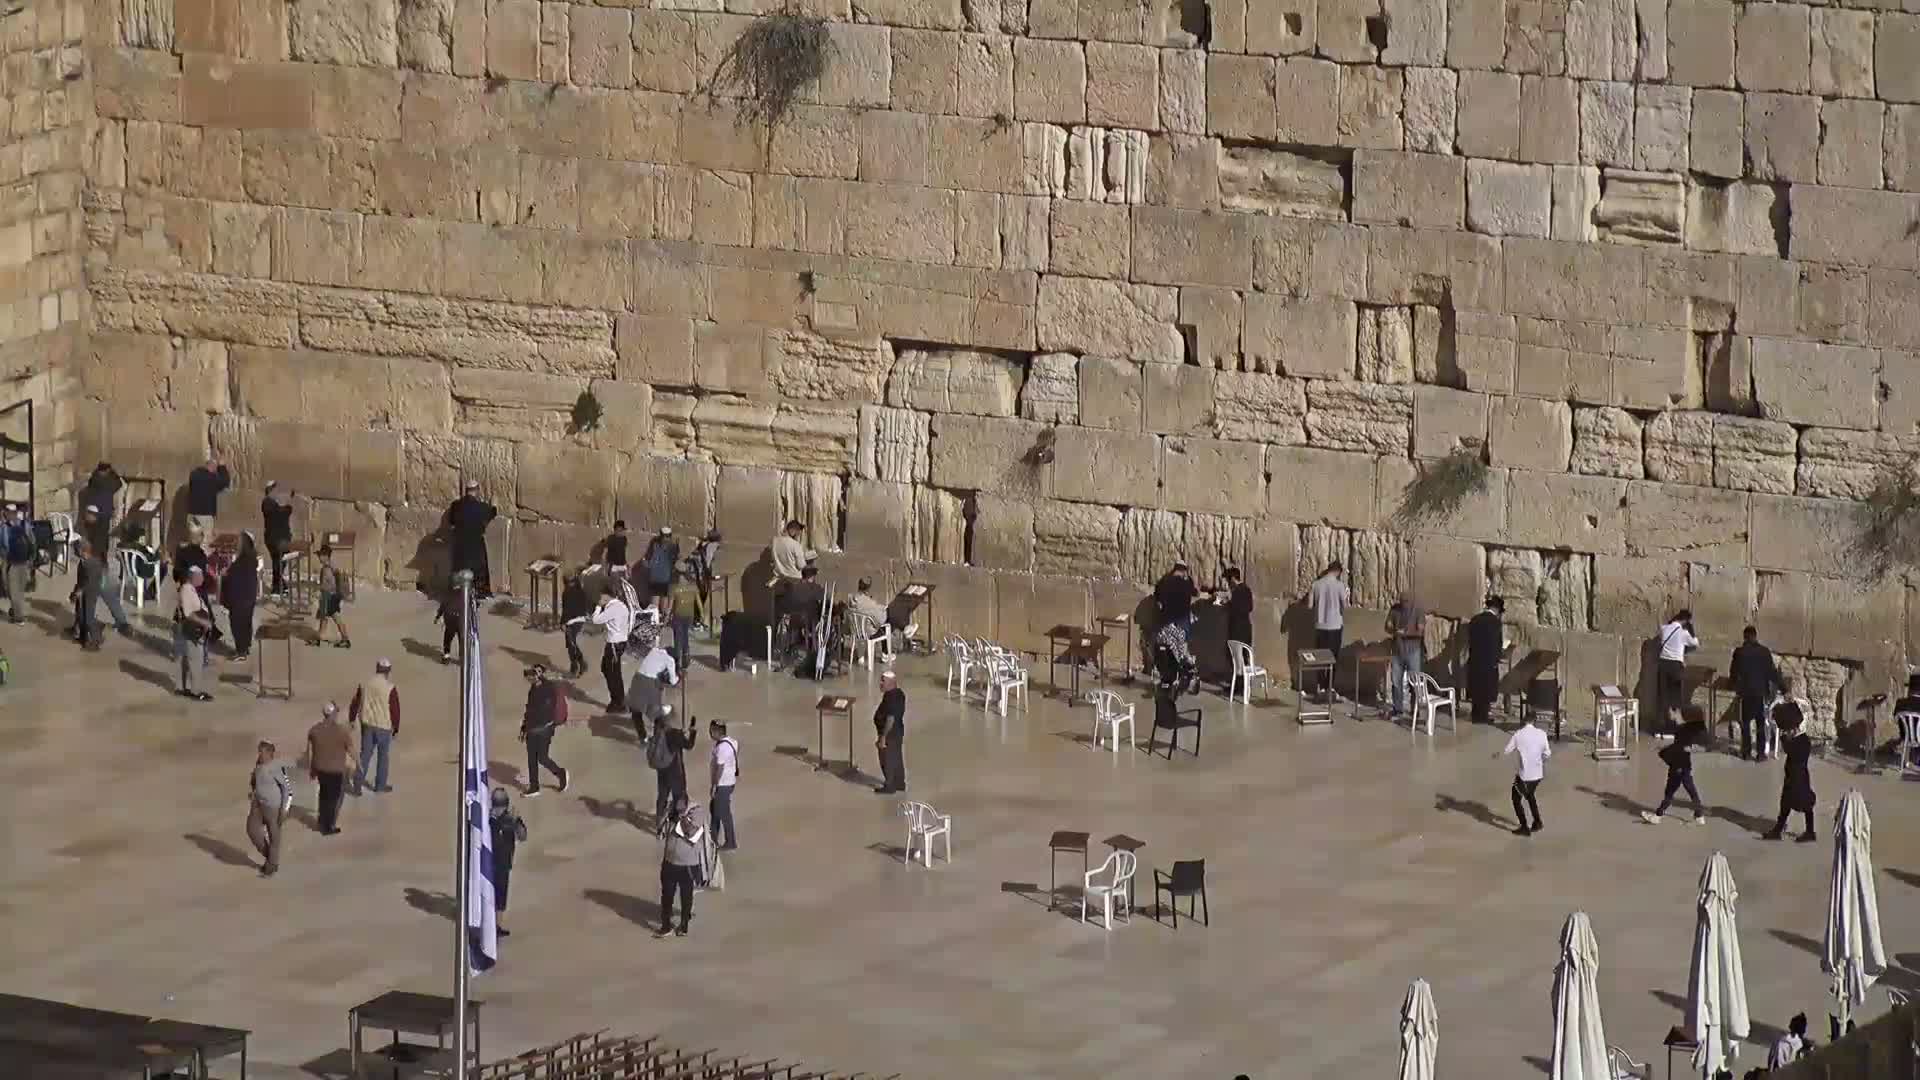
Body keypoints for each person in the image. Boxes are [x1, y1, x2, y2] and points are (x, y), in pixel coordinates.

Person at [1642, 706, 1710, 825]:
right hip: (1683, 765)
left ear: (1676, 712)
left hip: (1679, 766)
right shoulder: (1683, 728)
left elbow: (1683, 747)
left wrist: (1665, 752)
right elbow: (1683, 746)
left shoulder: (1683, 729)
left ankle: (1658, 816)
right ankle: (1699, 816)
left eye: (1670, 712)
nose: (1668, 714)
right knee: (1688, 791)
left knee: (1672, 792)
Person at [1761, 700, 1817, 842]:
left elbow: (1792, 752)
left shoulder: (1802, 741)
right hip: (1793, 777)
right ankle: (1778, 830)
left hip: (1799, 778)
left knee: (1805, 805)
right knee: (1786, 805)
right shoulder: (1799, 739)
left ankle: (1810, 832)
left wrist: (1784, 739)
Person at [656, 793, 707, 938]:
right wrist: (665, 814)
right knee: (666, 894)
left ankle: (683, 925)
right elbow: (659, 828)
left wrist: (681, 815)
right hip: (669, 861)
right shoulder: (671, 809)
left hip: (688, 864)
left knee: (686, 896)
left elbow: (691, 832)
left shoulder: (697, 812)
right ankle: (665, 926)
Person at [1729, 626, 1782, 761]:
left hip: (1745, 693)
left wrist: (1732, 685)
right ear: (1755, 636)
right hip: (1759, 693)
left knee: (1745, 723)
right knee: (1760, 723)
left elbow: (1733, 672)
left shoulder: (1739, 652)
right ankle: (1760, 753)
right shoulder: (1764, 652)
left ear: (1745, 637)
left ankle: (1746, 752)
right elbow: (1772, 673)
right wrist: (1784, 689)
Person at [349, 658, 401, 795]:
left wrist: (352, 719)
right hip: (384, 726)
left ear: (377, 668)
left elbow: (355, 702)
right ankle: (380, 785)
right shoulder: (390, 688)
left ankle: (357, 785)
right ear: (388, 671)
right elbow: (395, 710)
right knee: (383, 757)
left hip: (367, 725)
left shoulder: (365, 684)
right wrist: (396, 728)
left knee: (365, 756)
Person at [520, 664, 570, 796]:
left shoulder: (547, 690)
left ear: (538, 675)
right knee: (532, 758)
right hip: (534, 729)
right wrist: (525, 727)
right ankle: (534, 787)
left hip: (543, 730)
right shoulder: (534, 688)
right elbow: (529, 709)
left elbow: (541, 713)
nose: (528, 678)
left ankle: (561, 773)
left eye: (530, 675)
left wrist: (530, 726)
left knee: (542, 757)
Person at [1499, 709, 1550, 836]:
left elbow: (1507, 750)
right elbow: (1547, 753)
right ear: (1535, 720)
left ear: (1524, 719)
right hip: (1538, 775)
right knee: (1530, 795)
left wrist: (1496, 755)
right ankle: (1537, 822)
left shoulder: (1518, 734)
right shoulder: (1542, 734)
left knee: (1516, 798)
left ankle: (1524, 827)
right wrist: (1538, 761)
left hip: (1525, 776)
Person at [444, 479, 499, 597]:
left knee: (458, 571)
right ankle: (480, 592)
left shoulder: (455, 505)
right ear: (477, 491)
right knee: (480, 571)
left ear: (466, 491)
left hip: (460, 547)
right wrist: (494, 504)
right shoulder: (482, 507)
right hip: (476, 548)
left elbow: (451, 521)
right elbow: (492, 513)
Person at [306, 702, 355, 835]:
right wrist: (358, 763)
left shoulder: (314, 730)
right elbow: (351, 750)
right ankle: (328, 827)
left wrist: (312, 769)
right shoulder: (341, 731)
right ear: (333, 714)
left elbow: (311, 751)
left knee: (323, 796)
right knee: (333, 799)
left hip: (321, 769)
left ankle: (321, 822)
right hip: (335, 770)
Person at [247, 740, 291, 877]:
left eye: (262, 751)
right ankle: (271, 857)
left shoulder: (276, 768)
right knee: (252, 830)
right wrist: (253, 790)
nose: (259, 754)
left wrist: (284, 809)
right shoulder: (259, 764)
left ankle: (271, 866)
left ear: (270, 753)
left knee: (274, 836)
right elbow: (255, 779)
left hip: (273, 806)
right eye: (259, 751)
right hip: (258, 803)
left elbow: (287, 790)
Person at [488, 788, 529, 938]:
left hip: (503, 864)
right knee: (489, 896)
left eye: (501, 805)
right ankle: (487, 925)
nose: (499, 809)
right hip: (488, 865)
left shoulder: (510, 819)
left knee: (500, 898)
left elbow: (523, 836)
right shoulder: (487, 820)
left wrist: (516, 821)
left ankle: (496, 926)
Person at [1306, 561, 1349, 696]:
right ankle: (1330, 686)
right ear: (1338, 572)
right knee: (1333, 657)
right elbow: (1345, 606)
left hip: (1320, 625)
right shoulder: (1339, 585)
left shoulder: (1316, 584)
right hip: (1335, 625)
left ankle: (1320, 685)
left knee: (1319, 656)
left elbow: (1309, 605)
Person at [648, 706, 698, 821]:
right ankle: (675, 819)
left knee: (662, 796)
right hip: (675, 771)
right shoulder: (675, 734)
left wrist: (681, 733)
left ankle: (659, 819)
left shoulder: (658, 732)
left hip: (661, 769)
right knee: (678, 795)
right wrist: (692, 732)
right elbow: (689, 745)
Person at [590, 582, 634, 712]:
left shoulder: (613, 608)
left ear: (605, 595)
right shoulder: (620, 605)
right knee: (609, 669)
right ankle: (618, 699)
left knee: (612, 672)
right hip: (618, 642)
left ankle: (618, 701)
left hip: (614, 643)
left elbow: (596, 620)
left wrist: (598, 606)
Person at [174, 565, 216, 701]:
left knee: (191, 659)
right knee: (196, 660)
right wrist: (204, 623)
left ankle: (184, 687)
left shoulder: (191, 589)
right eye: (201, 576)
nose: (203, 579)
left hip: (195, 631)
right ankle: (196, 692)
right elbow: (188, 614)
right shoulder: (187, 590)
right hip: (191, 631)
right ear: (194, 577)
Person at [627, 636, 679, 743]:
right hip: (650, 683)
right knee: (655, 712)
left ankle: (643, 737)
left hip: (637, 678)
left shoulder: (654, 651)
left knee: (636, 710)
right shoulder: (670, 660)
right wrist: (678, 677)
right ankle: (656, 739)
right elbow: (673, 681)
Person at [1656, 609, 1700, 732]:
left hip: (1663, 664)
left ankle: (1661, 727)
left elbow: (1661, 639)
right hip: (1675, 666)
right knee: (1675, 697)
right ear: (1686, 621)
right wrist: (1691, 629)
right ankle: (1673, 727)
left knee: (1663, 695)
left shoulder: (1664, 628)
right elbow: (1695, 643)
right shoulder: (1683, 633)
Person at [1386, 590, 1427, 720]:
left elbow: (1420, 632)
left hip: (1413, 650)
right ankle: (1397, 709)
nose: (1404, 604)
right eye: (1402, 601)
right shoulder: (1395, 610)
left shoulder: (1418, 611)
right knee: (1396, 681)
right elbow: (1387, 626)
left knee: (1415, 682)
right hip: (1397, 650)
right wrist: (1392, 629)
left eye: (1406, 601)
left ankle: (1416, 709)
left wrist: (1405, 633)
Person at [221, 532, 260, 662]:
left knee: (238, 624)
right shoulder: (248, 559)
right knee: (246, 623)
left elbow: (237, 578)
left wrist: (227, 575)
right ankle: (245, 647)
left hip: (241, 598)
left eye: (239, 541)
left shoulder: (244, 561)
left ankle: (241, 651)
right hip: (247, 597)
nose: (236, 543)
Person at [1467, 596, 1506, 725]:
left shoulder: (1475, 620)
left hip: (1475, 660)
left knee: (1476, 689)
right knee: (1486, 689)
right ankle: (1483, 717)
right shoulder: (1495, 623)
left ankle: (1475, 715)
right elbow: (1497, 644)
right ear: (1498, 610)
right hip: (1488, 661)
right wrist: (1497, 658)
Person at [780, 564, 826, 661]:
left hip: (795, 620)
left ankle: (792, 647)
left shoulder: (794, 588)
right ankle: (813, 650)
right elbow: (825, 599)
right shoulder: (815, 588)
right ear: (812, 576)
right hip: (810, 622)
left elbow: (786, 605)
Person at [874, 670, 907, 794]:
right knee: (896, 758)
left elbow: (890, 718)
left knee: (887, 759)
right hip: (896, 732)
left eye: (883, 681)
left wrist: (883, 737)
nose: (880, 683)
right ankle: (899, 783)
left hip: (890, 734)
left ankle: (890, 786)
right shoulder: (897, 694)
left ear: (891, 683)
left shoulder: (892, 697)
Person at [709, 719, 739, 851]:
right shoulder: (733, 742)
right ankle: (713, 837)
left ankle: (730, 842)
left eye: (711, 731)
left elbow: (719, 768)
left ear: (717, 732)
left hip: (722, 784)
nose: (709, 733)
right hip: (730, 781)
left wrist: (714, 785)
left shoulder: (721, 748)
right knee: (715, 809)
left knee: (724, 813)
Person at [313, 544, 350, 648]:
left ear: (325, 556)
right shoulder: (326, 567)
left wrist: (337, 593)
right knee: (323, 617)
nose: (318, 557)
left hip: (331, 596)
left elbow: (337, 578)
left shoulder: (331, 566)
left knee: (336, 618)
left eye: (320, 555)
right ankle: (318, 638)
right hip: (326, 595)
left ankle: (345, 639)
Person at [69, 540, 104, 650]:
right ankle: (83, 636)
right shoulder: (83, 562)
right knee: (81, 614)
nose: (73, 552)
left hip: (91, 592)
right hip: (83, 590)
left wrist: (80, 591)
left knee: (89, 617)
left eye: (75, 550)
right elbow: (81, 580)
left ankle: (96, 640)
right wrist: (75, 592)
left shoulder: (93, 564)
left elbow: (90, 582)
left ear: (81, 551)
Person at [3, 503, 34, 624]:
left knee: (14, 590)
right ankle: (17, 612)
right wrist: (31, 558)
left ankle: (18, 617)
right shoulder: (24, 525)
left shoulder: (5, 528)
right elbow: (32, 542)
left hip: (12, 563)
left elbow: (3, 546)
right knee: (16, 590)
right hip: (22, 561)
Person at [260, 482, 294, 596]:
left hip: (279, 539)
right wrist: (288, 506)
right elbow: (278, 514)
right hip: (274, 539)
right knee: (278, 562)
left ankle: (279, 586)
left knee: (279, 562)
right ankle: (277, 587)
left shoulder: (273, 503)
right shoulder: (267, 502)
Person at [665, 566, 701, 671]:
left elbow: (669, 606)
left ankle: (678, 661)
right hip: (689, 615)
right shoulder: (693, 587)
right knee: (685, 636)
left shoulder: (673, 587)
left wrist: (666, 618)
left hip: (678, 616)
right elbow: (698, 602)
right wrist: (702, 615)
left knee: (678, 638)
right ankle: (685, 655)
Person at [184, 456, 230, 535]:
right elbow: (225, 482)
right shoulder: (211, 478)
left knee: (192, 540)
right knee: (204, 542)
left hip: (191, 515)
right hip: (204, 517)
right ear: (213, 468)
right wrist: (222, 467)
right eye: (216, 470)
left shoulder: (194, 475)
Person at [559, 571, 589, 677]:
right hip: (580, 619)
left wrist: (562, 623)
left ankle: (577, 665)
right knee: (571, 643)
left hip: (571, 621)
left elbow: (566, 609)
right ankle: (578, 665)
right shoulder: (580, 590)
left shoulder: (567, 592)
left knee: (571, 644)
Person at [642, 526, 679, 599]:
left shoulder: (670, 547)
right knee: (658, 602)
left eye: (667, 536)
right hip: (659, 578)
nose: (665, 538)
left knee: (659, 602)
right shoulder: (658, 546)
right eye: (665, 536)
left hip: (662, 578)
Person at [1222, 567, 1253, 648]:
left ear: (1232, 579)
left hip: (1237, 631)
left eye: (1228, 580)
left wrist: (1229, 602)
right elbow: (1250, 607)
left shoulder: (1237, 591)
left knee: (1235, 657)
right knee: (1245, 656)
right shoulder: (1247, 589)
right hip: (1246, 629)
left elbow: (1236, 609)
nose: (1228, 583)